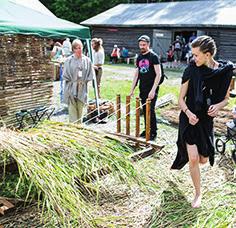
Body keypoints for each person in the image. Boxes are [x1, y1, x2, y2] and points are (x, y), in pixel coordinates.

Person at [171, 35, 234, 208]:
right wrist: (188, 113)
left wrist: (218, 106)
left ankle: (193, 165)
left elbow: (226, 98)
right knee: (193, 158)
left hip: (206, 121)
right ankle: (198, 193)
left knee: (203, 159)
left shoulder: (223, 72)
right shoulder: (191, 70)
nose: (193, 58)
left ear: (207, 55)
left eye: (196, 55)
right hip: (189, 118)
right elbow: (180, 99)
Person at [130, 35, 161, 140]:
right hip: (142, 87)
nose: (142, 47)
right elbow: (137, 74)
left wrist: (153, 90)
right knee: (144, 109)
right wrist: (132, 89)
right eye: (140, 45)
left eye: (144, 45)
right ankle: (147, 129)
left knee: (150, 110)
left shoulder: (154, 57)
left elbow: (159, 74)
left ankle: (153, 132)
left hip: (152, 88)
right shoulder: (139, 57)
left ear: (148, 44)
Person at [63, 39, 95, 123]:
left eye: (80, 48)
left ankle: (79, 127)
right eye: (76, 48)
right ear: (73, 49)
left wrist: (83, 81)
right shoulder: (69, 60)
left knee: (81, 111)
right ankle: (73, 128)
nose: (79, 50)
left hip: (82, 88)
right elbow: (65, 75)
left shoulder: (87, 60)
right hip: (71, 88)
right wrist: (73, 82)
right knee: (72, 111)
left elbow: (91, 74)